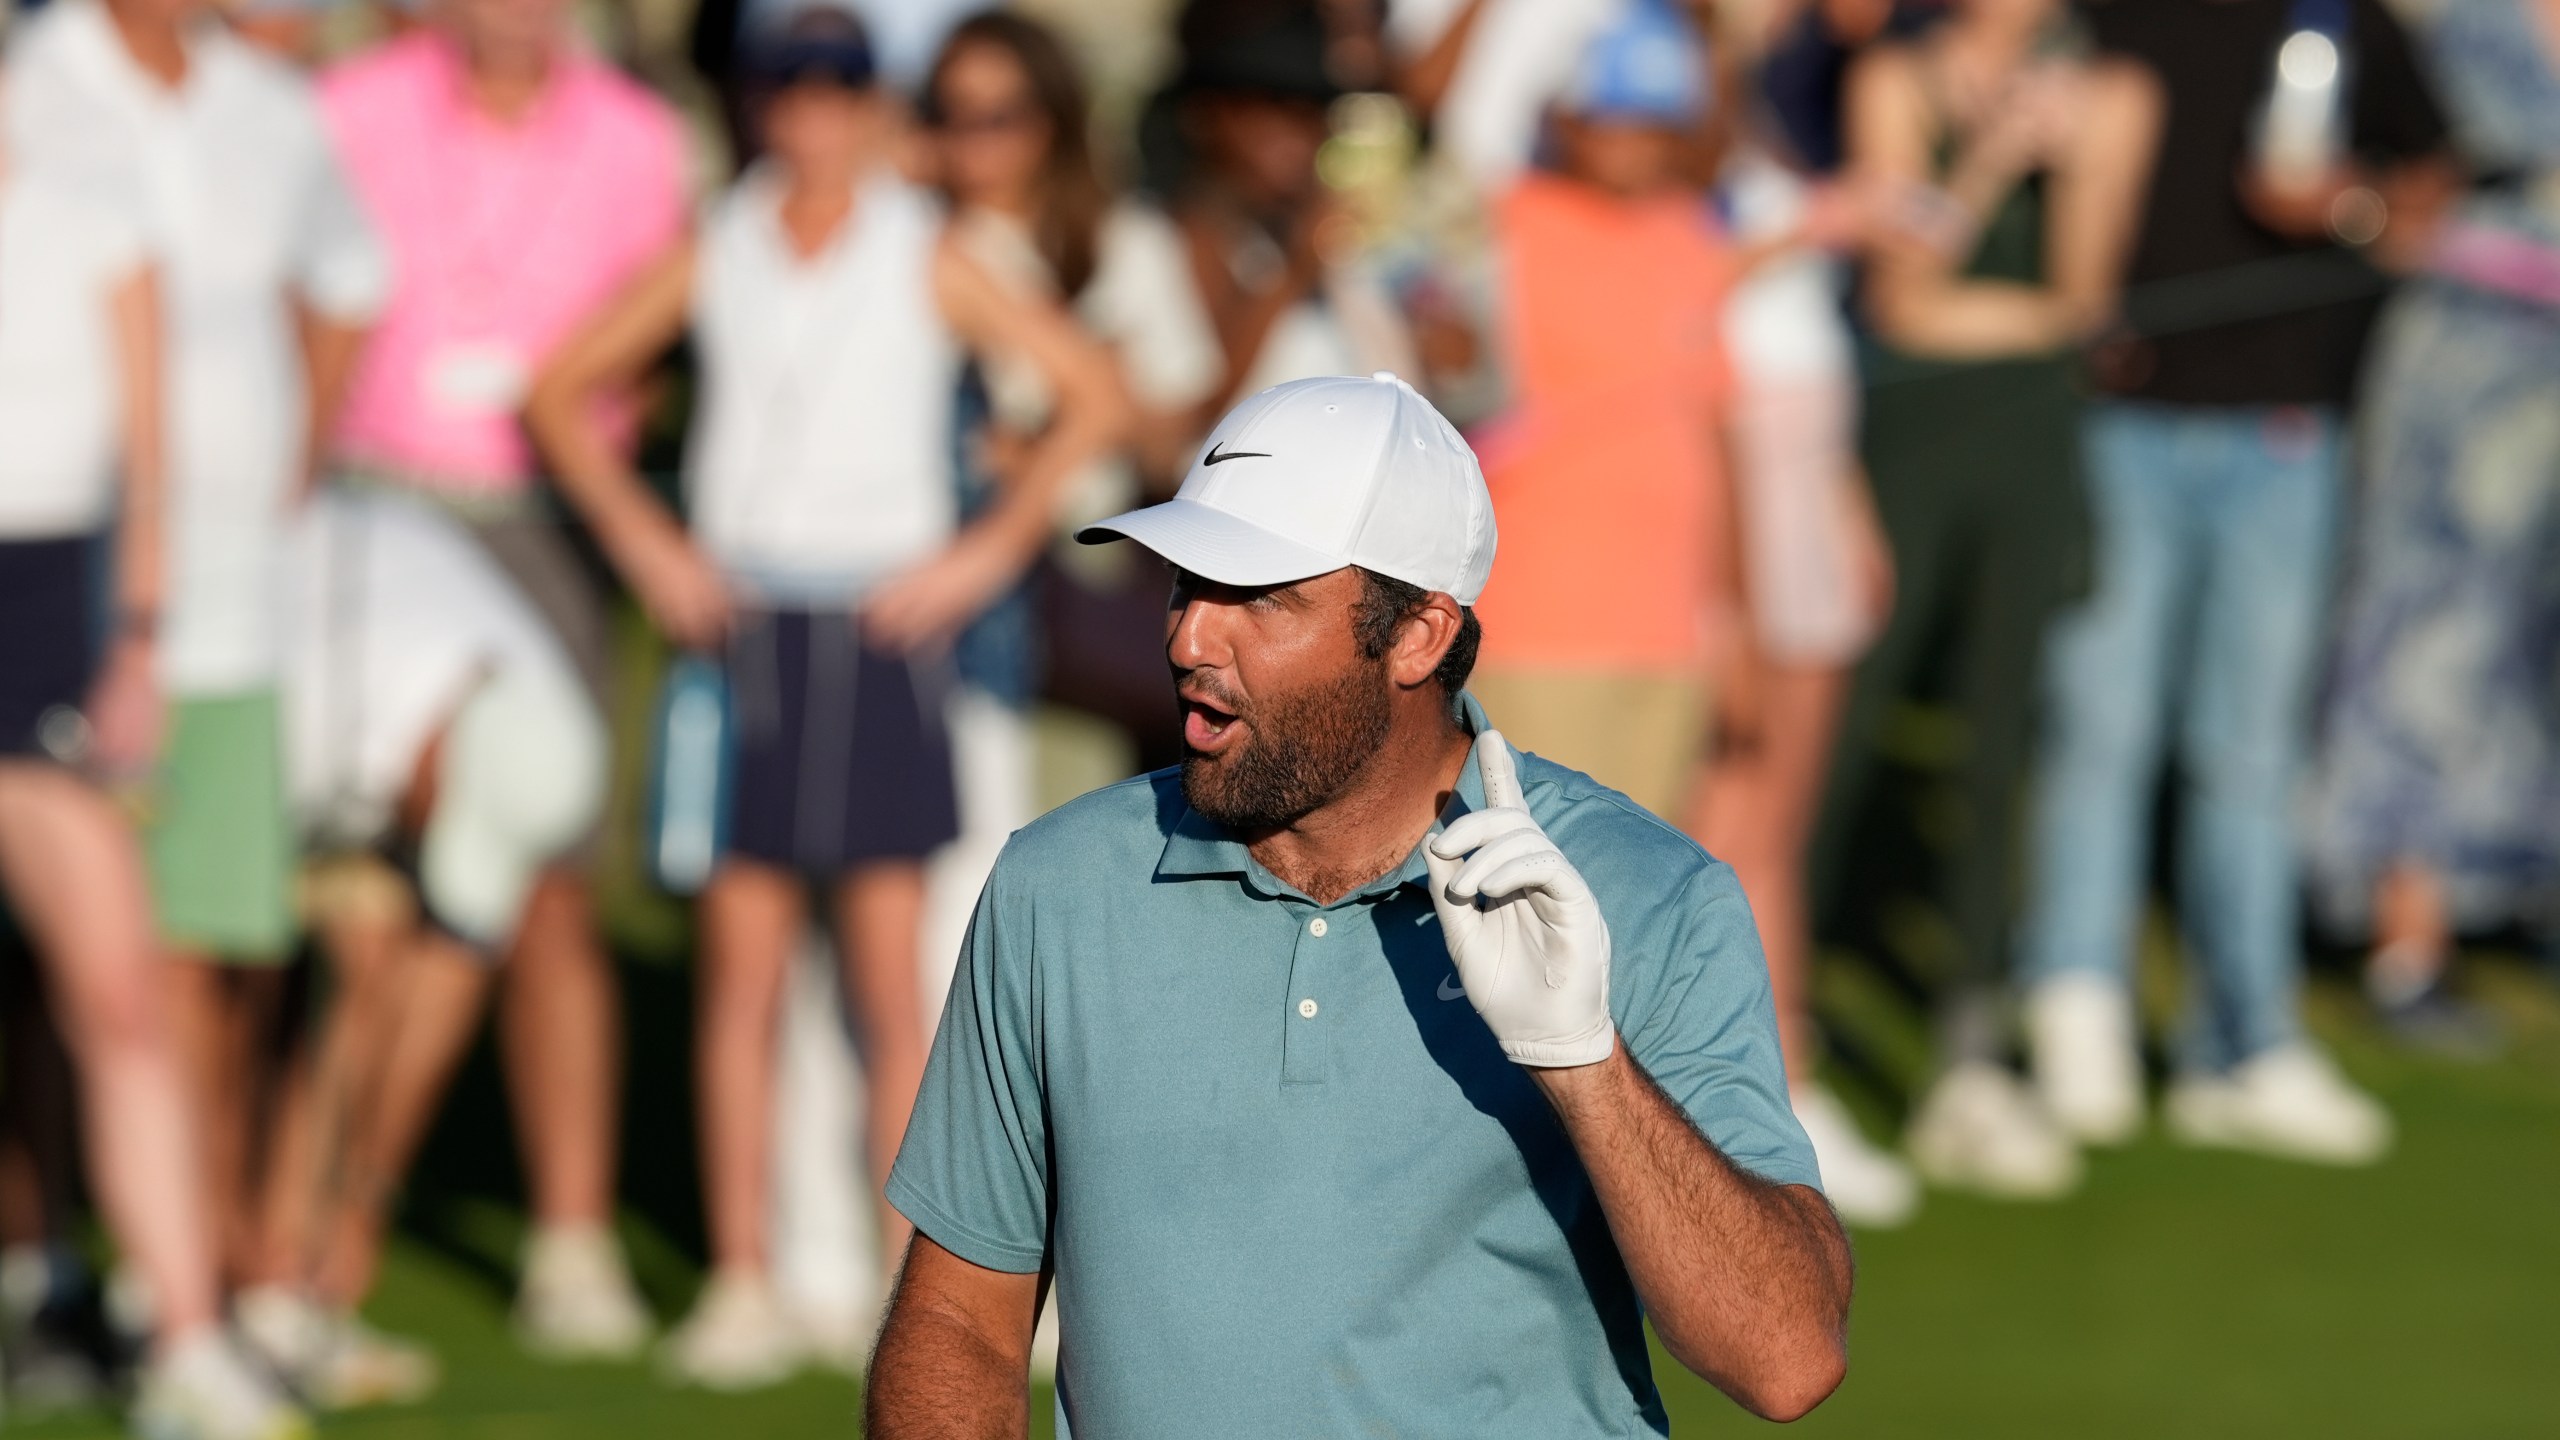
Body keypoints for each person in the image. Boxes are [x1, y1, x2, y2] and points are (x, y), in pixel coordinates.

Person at [868, 372, 1853, 1437]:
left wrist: (1584, 1062)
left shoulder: (1648, 895)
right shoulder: (1056, 890)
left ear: (1419, 635)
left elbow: (1786, 1357)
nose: (1191, 639)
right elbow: (962, 1316)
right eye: (1186, 582)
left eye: (1259, 597)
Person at [524, 6, 1123, 1388]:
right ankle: (743, 1277)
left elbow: (1090, 395)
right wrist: (650, 546)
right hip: (745, 627)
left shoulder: (925, 248)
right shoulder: (718, 244)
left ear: (871, 105)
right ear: (757, 103)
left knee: (890, 983)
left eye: (839, 88)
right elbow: (562, 393)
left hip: (877, 627)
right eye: (787, 88)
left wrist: (976, 557)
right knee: (739, 973)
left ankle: (913, 1279)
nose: (813, 115)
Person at [315, 0, 691, 1357]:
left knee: (549, 887)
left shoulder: (638, 139)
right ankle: (306, 1254)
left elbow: (646, 348)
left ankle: (571, 1239)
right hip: (376, 503)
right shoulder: (353, 107)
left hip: (541, 518)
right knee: (354, 898)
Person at [2016, 0, 2453, 1163]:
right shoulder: (2091, 16)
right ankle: (2075, 1000)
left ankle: (2243, 1038)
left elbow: (2428, 187)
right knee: (2100, 728)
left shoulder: (2339, 17)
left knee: (2248, 747)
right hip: (2114, 421)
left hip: (2282, 432)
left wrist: (2346, 206)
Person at [7, 0, 387, 1320]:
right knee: (100, 973)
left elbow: (347, 284)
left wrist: (291, 466)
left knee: (188, 963)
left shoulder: (269, 112)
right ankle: (68, 1264)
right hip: (76, 602)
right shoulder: (40, 78)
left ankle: (188, 1292)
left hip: (200, 613)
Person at [0, 80, 313, 1440]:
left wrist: (135, 636)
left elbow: (147, 449)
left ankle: (187, 1340)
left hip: (47, 614)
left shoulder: (91, 216)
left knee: (120, 992)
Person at [1820, 0, 2157, 1199]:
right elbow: (1904, 294)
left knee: (1998, 739)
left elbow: (2079, 297)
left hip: (2028, 444)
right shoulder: (1890, 81)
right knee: (1843, 729)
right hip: (1903, 441)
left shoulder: (2112, 92)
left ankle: (1970, 1059)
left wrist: (2042, 190)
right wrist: (1996, 157)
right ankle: (1774, 1044)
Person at [230, 491, 608, 1410]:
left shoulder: (543, 721)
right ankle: (215, 1287)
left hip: (364, 714)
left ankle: (304, 1274)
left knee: (394, 955)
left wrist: (362, 1201)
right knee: (234, 985)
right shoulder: (314, 709)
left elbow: (456, 951)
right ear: (436, 763)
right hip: (225, 667)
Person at [918, 8, 1222, 995]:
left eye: (1000, 115)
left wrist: (1056, 423)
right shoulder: (916, 242)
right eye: (950, 114)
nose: (974, 141)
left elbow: (1177, 429)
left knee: (1095, 854)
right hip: (957, 586)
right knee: (995, 872)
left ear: (1052, 120)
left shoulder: (1125, 240)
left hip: (1095, 578)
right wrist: (1097, 391)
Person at [2303, 0, 2560, 1052]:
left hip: (2546, 377)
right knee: (2427, 629)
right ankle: (2408, 941)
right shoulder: (2449, 15)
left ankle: (2520, 890)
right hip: (2463, 358)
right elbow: (2365, 165)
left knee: (2533, 646)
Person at [1688, 22, 1909, 1224]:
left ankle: (1776, 1083)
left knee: (1772, 814)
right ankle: (1769, 1093)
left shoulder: (1760, 113)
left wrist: (1843, 498)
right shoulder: (1667, 124)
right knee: (1738, 813)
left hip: (1800, 460)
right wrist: (1812, 225)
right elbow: (1673, 305)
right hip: (1736, 464)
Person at [1467, 0, 1738, 827]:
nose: (1634, 142)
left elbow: (1716, 439)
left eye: (1657, 124)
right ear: (1567, 118)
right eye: (1614, 118)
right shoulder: (1496, 220)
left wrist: (1731, 619)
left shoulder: (1693, 234)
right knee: (1518, 879)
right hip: (1528, 625)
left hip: (1668, 635)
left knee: (1643, 898)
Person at [1165, 0, 1416, 410]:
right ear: (1212, 114)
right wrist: (1295, 271)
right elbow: (1195, 408)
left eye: (1315, 111)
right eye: (1275, 105)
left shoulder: (1311, 231)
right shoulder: (1161, 238)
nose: (1302, 133)